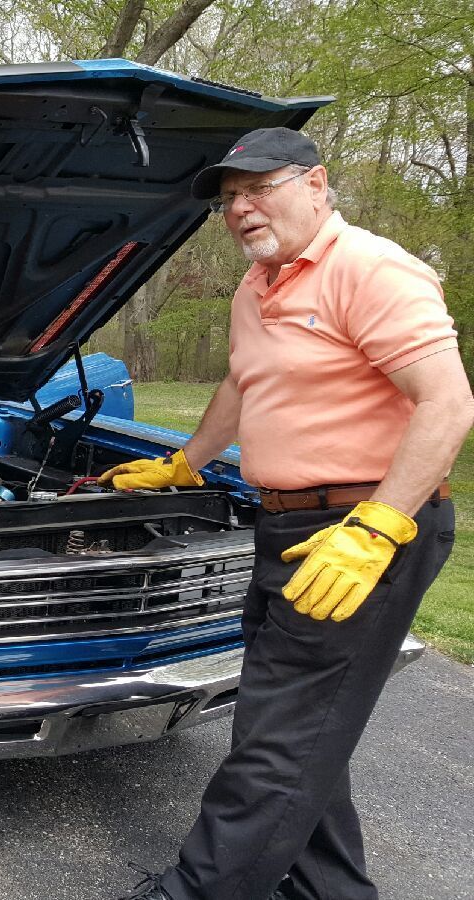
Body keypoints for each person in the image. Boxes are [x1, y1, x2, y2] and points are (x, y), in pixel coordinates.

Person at [101, 127, 473, 900]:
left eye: (257, 188)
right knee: (298, 729)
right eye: (230, 198)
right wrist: (186, 461)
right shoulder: (258, 286)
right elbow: (243, 383)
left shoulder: (371, 270)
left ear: (315, 183)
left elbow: (448, 403)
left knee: (277, 741)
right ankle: (329, 890)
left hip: (362, 534)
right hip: (288, 527)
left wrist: (377, 528)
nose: (240, 208)